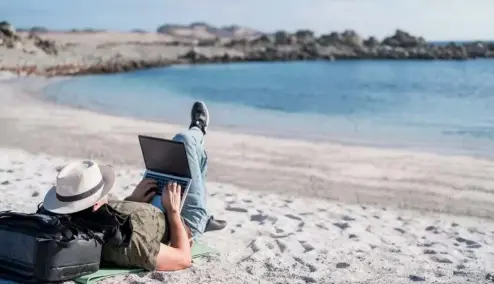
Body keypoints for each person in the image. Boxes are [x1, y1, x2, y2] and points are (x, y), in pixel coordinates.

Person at [42, 101, 225, 271]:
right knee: (185, 141)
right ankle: (198, 128)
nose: (107, 193)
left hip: (150, 206)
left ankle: (203, 207)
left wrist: (132, 200)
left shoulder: (80, 219)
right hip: (182, 221)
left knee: (178, 158)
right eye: (103, 190)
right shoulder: (127, 240)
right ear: (96, 203)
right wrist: (174, 212)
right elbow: (183, 258)